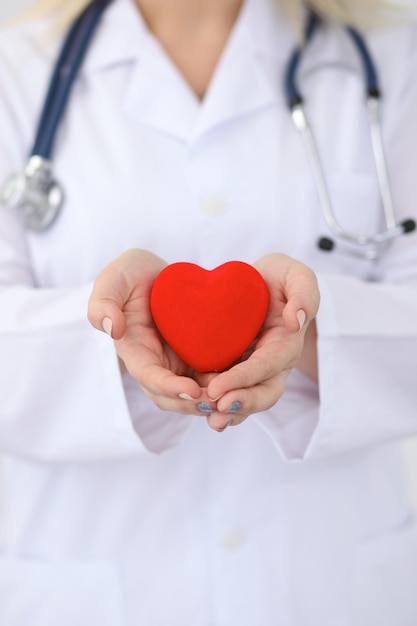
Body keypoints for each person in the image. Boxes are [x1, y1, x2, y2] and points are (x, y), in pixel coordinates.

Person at [0, 0, 417, 624]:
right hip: (89, 580)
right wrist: (117, 336)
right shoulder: (16, 68)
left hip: (335, 582)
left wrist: (303, 333)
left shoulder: (392, 56)